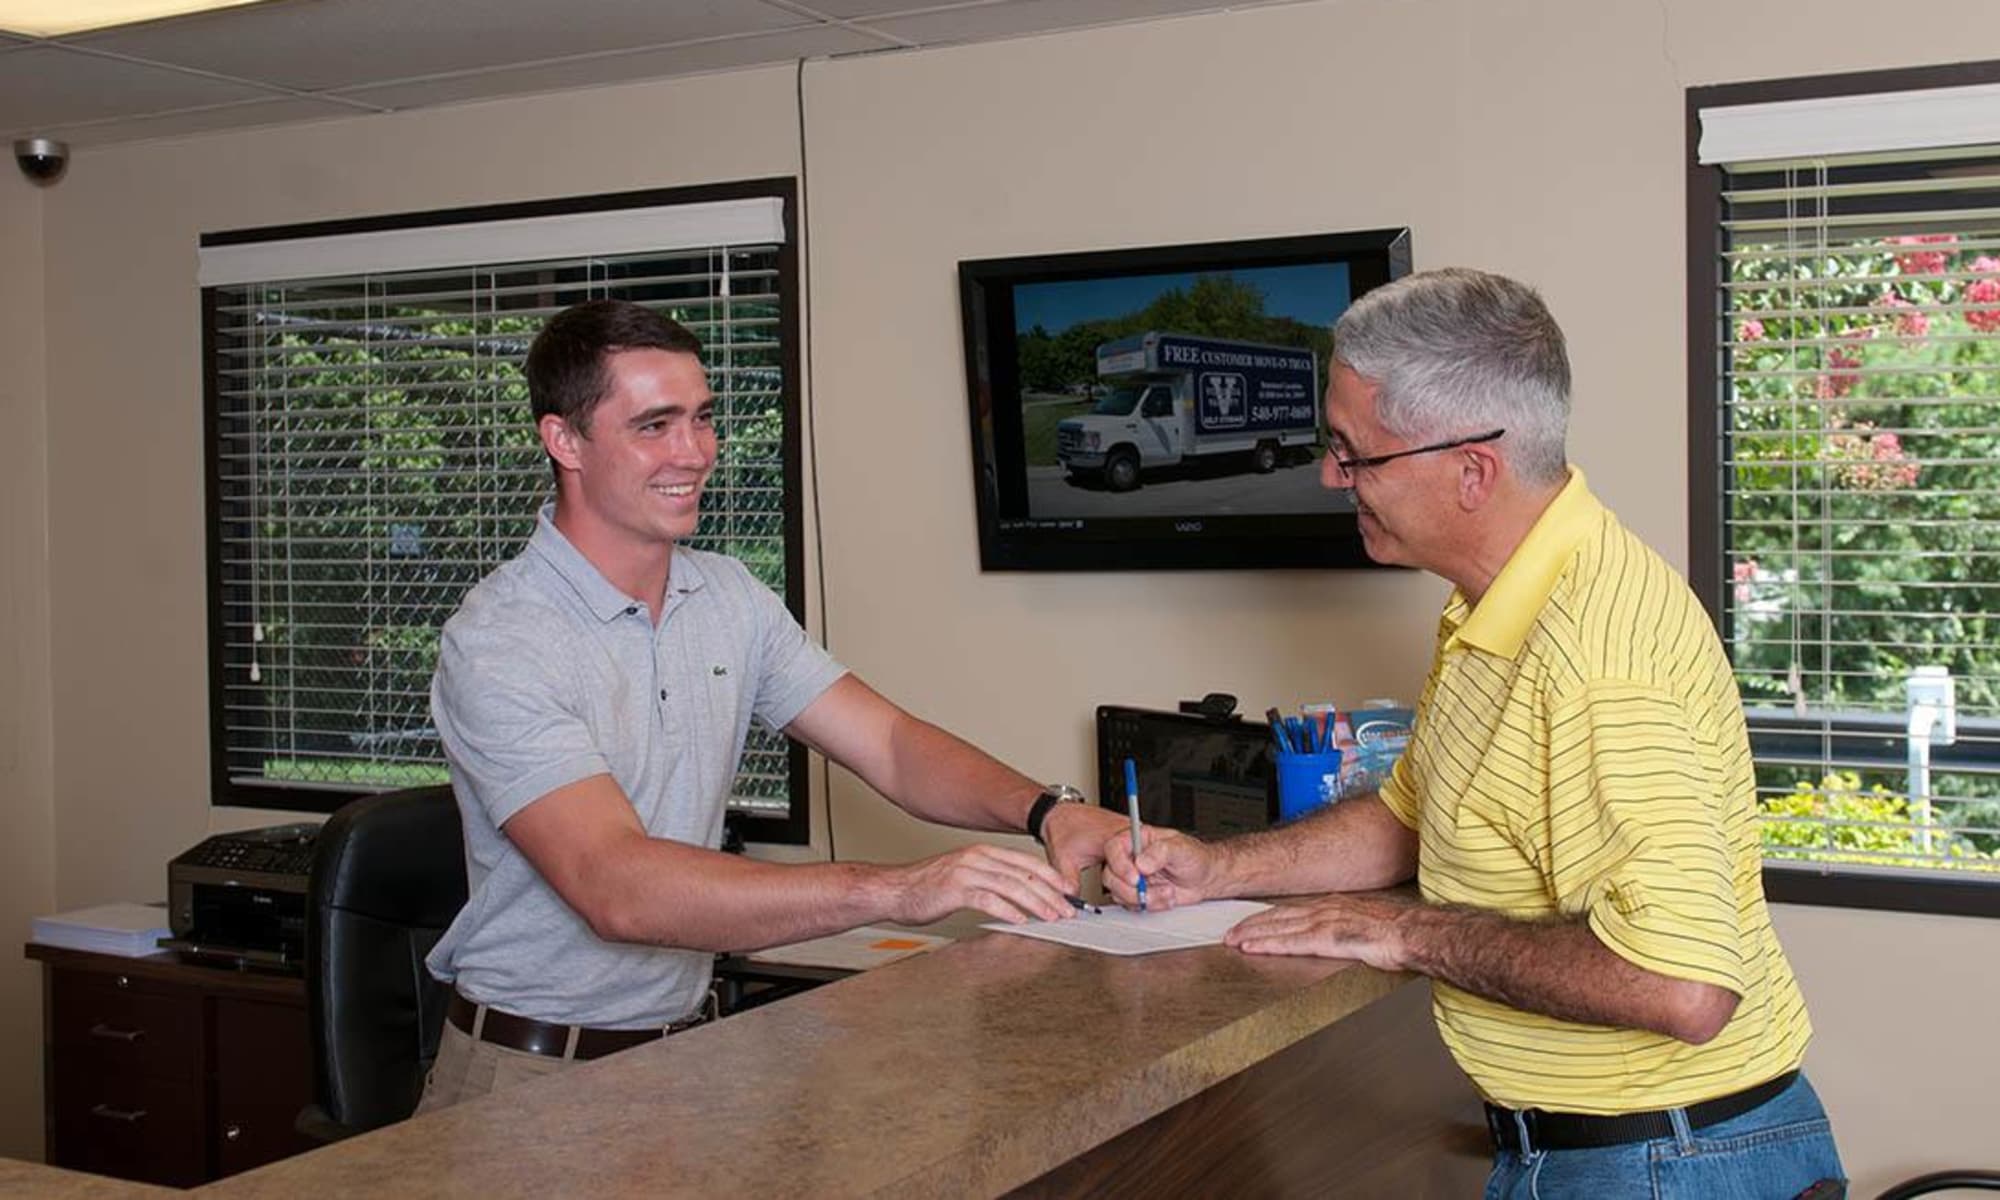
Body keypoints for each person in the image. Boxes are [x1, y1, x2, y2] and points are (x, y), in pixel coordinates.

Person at [1103, 269, 1844, 1197]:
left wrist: (1411, 936)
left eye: (1355, 453)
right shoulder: (1498, 601)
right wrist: (1220, 869)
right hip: (1613, 1152)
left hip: (1664, 1163)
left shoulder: (1597, 658)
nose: (1333, 476)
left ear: (1471, 469)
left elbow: (1682, 988)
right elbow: (1416, 813)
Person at [420, 298, 1124, 1111]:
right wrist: (899, 890)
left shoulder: (725, 597)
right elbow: (616, 887)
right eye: (655, 425)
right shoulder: (503, 639)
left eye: (703, 418)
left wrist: (1048, 812)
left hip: (683, 1060)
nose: (694, 452)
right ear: (564, 440)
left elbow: (889, 743)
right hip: (530, 1077)